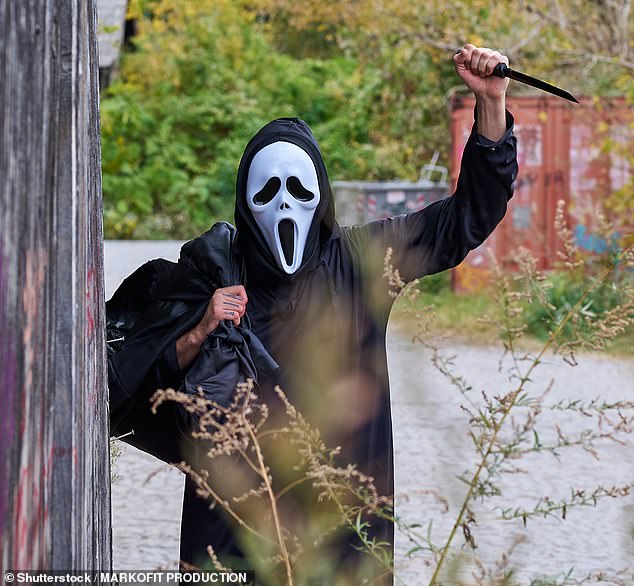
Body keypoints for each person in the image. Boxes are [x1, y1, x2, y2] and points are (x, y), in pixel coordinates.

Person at [107, 44, 518, 583]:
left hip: (342, 537)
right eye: (269, 189)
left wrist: (490, 102)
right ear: (245, 197)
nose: (283, 204)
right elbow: (137, 384)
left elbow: (467, 217)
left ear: (320, 195)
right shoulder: (212, 275)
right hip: (230, 539)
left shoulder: (363, 264)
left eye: (298, 189)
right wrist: (201, 327)